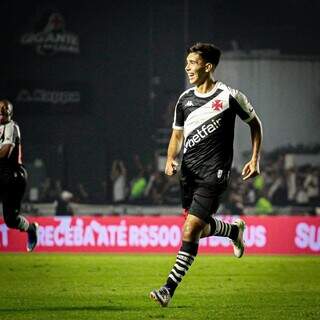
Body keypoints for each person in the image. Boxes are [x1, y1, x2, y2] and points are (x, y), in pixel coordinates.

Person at [150, 43, 263, 307]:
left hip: (215, 174)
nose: (187, 67)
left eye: (192, 62)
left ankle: (167, 290)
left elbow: (255, 124)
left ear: (207, 66)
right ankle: (233, 231)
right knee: (197, 231)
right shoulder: (184, 99)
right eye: (187, 62)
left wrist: (255, 158)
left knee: (190, 230)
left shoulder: (230, 96)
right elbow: (177, 135)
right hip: (188, 175)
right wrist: (170, 158)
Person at [0, 100, 39, 251]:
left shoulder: (12, 127)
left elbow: (6, 151)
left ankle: (30, 229)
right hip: (1, 175)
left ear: (10, 113)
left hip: (13, 177)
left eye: (5, 113)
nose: (2, 115)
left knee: (11, 221)